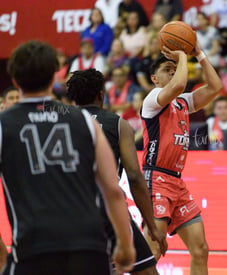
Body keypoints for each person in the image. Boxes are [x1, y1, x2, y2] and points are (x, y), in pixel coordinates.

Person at [2, 40, 135, 274]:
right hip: (89, 246)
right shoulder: (84, 120)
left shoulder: (4, 125)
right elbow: (113, 190)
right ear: (54, 76)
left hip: (34, 247)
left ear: (14, 79)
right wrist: (125, 243)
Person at [67, 68, 167, 275]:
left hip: (69, 212)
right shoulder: (118, 124)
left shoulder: (61, 124)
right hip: (107, 211)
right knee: (147, 271)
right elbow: (134, 176)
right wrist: (152, 226)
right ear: (101, 95)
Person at [141, 42, 223, 274]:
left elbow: (216, 87)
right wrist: (180, 56)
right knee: (153, 250)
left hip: (177, 183)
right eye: (167, 69)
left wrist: (199, 54)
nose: (173, 71)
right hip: (156, 178)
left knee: (200, 249)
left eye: (173, 68)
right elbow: (178, 84)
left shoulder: (183, 102)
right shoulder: (153, 98)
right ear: (154, 79)